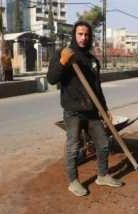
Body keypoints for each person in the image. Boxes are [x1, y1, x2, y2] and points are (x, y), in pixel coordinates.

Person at [47, 21, 122, 197]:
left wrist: (105, 109)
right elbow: (51, 79)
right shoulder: (64, 54)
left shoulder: (92, 60)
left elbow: (97, 88)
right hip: (73, 110)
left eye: (86, 35)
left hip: (92, 111)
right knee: (73, 147)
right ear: (74, 35)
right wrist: (62, 62)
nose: (83, 38)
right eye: (80, 34)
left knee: (103, 143)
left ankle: (102, 175)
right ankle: (73, 181)